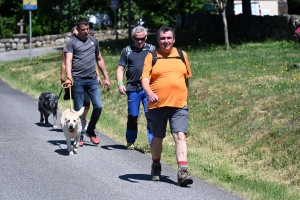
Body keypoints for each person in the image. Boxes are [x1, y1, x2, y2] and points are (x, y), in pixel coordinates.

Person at [140, 26, 193, 186]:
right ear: (158, 41)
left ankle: (183, 172)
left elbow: (186, 79)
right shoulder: (152, 56)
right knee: (157, 137)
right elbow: (144, 79)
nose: (166, 41)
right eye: (163, 38)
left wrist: (184, 97)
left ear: (174, 39)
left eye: (169, 38)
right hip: (157, 105)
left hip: (179, 105)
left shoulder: (182, 55)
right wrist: (149, 92)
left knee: (180, 136)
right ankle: (156, 166)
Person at [64, 18, 111, 145]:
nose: (86, 31)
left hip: (92, 80)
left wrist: (106, 77)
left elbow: (99, 59)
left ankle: (91, 130)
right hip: (78, 80)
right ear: (77, 30)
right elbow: (68, 61)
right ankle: (80, 135)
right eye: (83, 29)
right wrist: (69, 77)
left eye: (87, 29)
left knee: (99, 106)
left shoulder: (93, 41)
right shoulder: (72, 42)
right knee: (79, 109)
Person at [116, 26, 155, 150]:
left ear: (146, 37)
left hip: (148, 88)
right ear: (133, 37)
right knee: (133, 116)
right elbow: (121, 68)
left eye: (142, 39)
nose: (140, 41)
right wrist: (120, 83)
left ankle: (153, 143)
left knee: (151, 116)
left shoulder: (152, 49)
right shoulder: (126, 51)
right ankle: (130, 141)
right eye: (137, 39)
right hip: (133, 88)